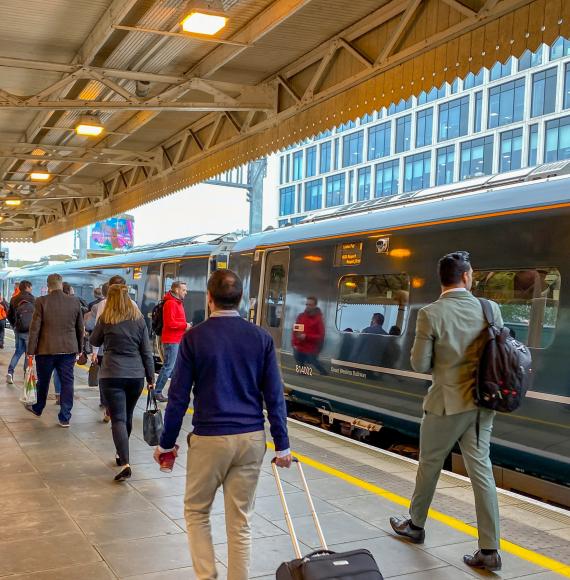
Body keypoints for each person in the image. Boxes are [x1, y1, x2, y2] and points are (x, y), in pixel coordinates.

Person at [155, 269, 291, 580]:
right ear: (241, 299)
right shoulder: (261, 338)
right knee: (241, 521)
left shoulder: (194, 338)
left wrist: (166, 443)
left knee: (197, 511)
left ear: (210, 299)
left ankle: (207, 576)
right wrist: (282, 445)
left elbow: (178, 397)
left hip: (210, 440)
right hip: (251, 439)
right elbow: (274, 397)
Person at [390, 251, 503, 572]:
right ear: (466, 277)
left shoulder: (430, 313)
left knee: (430, 464)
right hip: (483, 403)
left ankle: (415, 524)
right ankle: (489, 549)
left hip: (446, 404)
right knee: (482, 471)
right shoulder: (490, 309)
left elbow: (419, 363)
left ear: (442, 280)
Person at [90, 284, 155, 482]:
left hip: (111, 374)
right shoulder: (139, 320)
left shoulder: (106, 319)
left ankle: (125, 460)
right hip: (135, 376)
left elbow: (94, 340)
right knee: (126, 417)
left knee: (117, 418)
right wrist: (151, 378)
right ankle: (121, 454)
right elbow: (146, 352)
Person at [25, 274, 84, 427]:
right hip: (68, 350)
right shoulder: (74, 301)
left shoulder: (41, 301)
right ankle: (65, 417)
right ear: (61, 284)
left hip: (46, 351)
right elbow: (80, 327)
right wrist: (80, 348)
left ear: (48, 286)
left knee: (43, 382)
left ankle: (38, 408)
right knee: (67, 382)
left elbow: (35, 329)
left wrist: (30, 351)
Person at [154, 281, 191, 402]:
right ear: (176, 290)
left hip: (177, 339)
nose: (186, 292)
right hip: (172, 340)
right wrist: (185, 325)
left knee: (173, 367)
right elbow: (170, 323)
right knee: (168, 367)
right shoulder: (170, 303)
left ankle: (172, 391)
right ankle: (157, 392)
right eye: (184, 290)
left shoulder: (177, 303)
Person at [6, 280, 35, 384]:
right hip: (29, 331)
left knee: (18, 352)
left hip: (18, 330)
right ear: (27, 287)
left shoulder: (14, 299)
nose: (31, 289)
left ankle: (10, 372)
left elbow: (9, 315)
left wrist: (14, 325)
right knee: (28, 354)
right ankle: (26, 375)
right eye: (31, 287)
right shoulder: (32, 299)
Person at [292, 296, 327, 375]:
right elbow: (296, 331)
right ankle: (303, 373)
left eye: (310, 305)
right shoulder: (301, 316)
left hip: (311, 347)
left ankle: (324, 372)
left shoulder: (318, 319)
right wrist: (294, 343)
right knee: (298, 359)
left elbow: (320, 336)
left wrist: (307, 336)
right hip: (300, 345)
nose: (308, 306)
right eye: (307, 304)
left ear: (315, 306)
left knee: (313, 361)